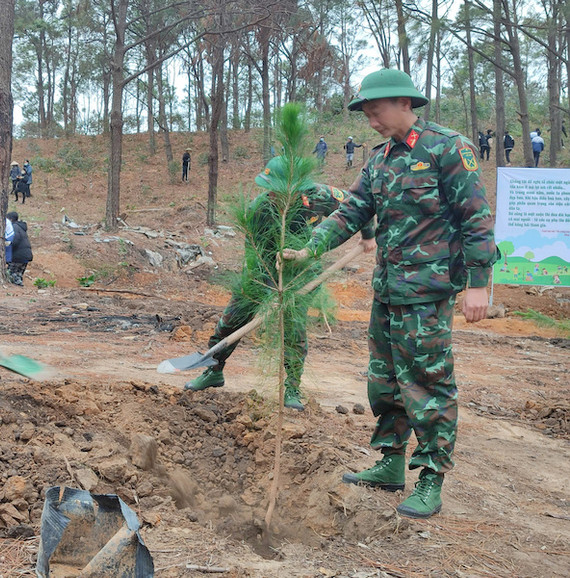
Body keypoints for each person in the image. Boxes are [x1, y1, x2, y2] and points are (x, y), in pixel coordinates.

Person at [283, 69, 498, 519]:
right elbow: (352, 210)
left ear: (403, 102)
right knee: (384, 381)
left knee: (428, 384)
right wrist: (310, 248)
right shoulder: (379, 159)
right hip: (387, 290)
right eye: (366, 114)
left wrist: (479, 283)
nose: (371, 121)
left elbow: (475, 216)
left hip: (428, 291)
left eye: (375, 111)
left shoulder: (447, 147)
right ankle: (390, 462)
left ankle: (430, 478)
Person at [184, 156, 377, 410]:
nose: (272, 195)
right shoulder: (258, 210)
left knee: (293, 328)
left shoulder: (319, 196)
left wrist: (368, 236)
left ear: (296, 187)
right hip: (263, 271)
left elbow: (358, 207)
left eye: (278, 190)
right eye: (269, 189)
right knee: (230, 321)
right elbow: (253, 259)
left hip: (303, 273)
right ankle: (213, 370)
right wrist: (262, 292)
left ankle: (292, 386)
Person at [6, 212, 33, 286]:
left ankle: (17, 291)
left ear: (10, 219)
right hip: (25, 256)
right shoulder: (20, 227)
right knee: (18, 276)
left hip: (18, 257)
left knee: (12, 275)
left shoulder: (14, 227)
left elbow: (14, 241)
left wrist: (6, 247)